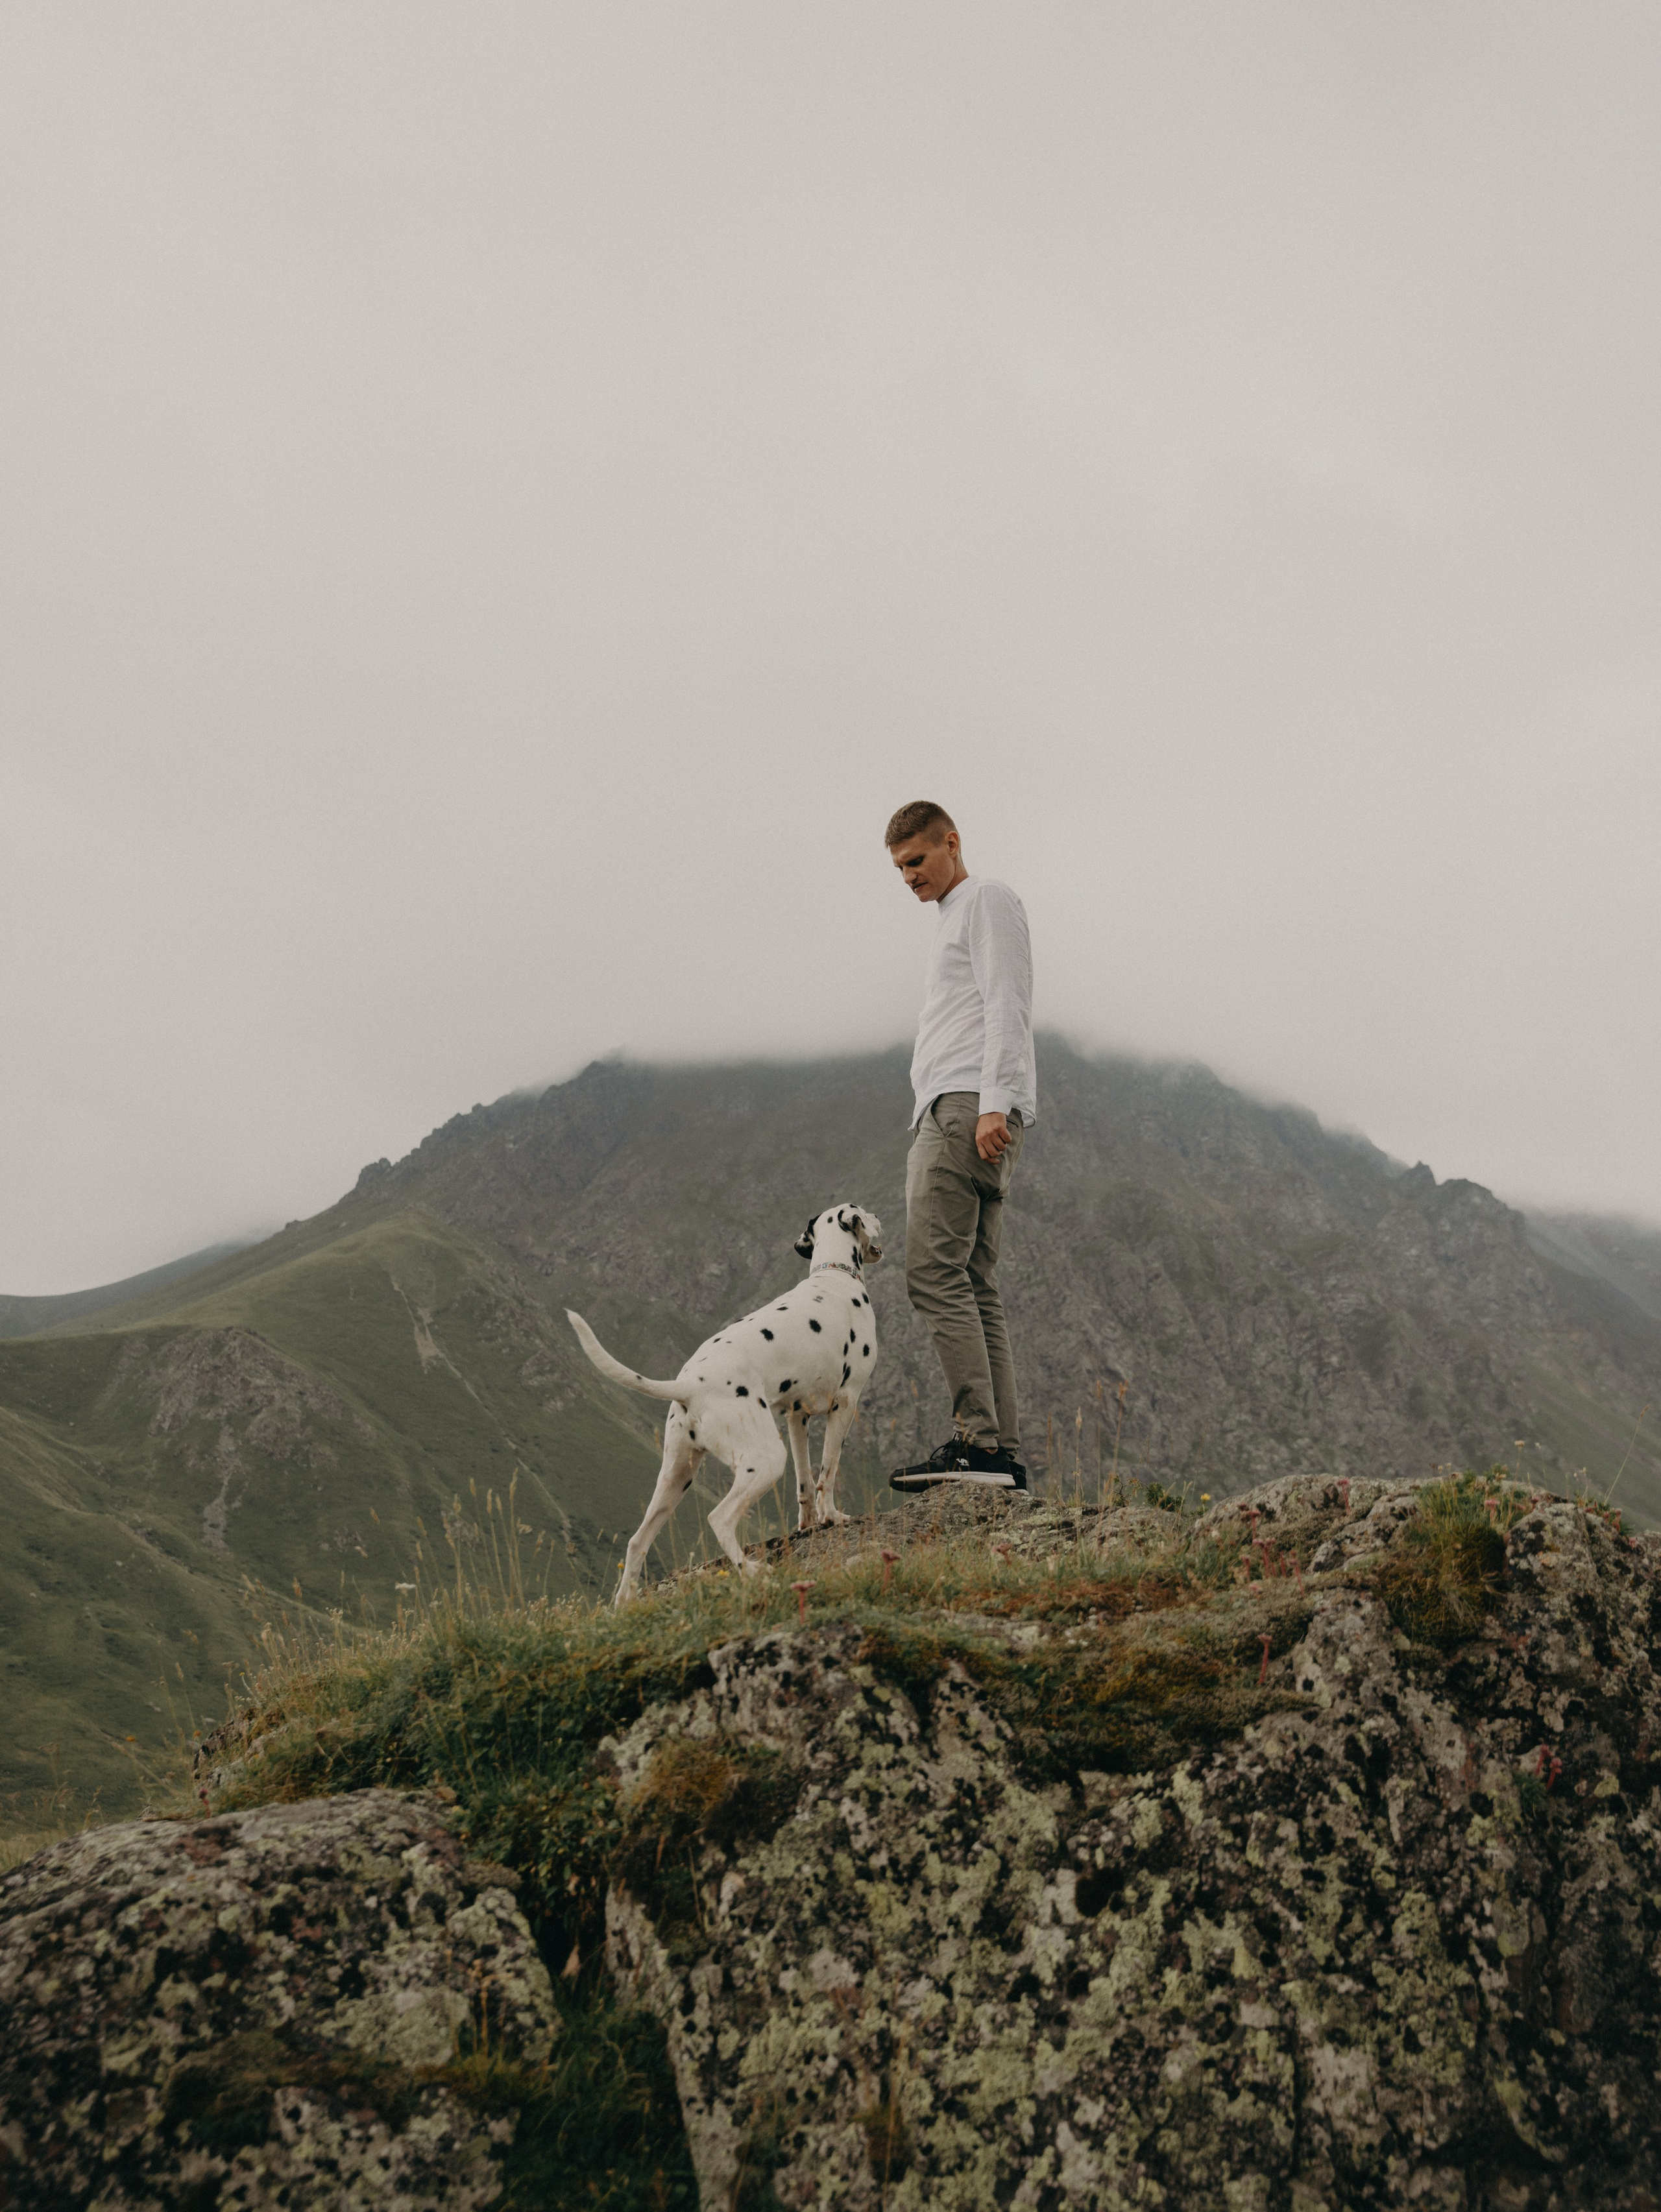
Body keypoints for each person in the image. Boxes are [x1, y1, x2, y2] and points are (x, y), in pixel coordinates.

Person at [885, 800, 1036, 1492]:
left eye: (916, 859)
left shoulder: (985, 898)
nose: (908, 875)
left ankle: (976, 1441)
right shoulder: (956, 913)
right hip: (961, 1105)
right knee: (973, 1284)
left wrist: (993, 1102)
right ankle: (999, 1453)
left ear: (951, 842)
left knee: (933, 1273)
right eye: (898, 867)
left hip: (964, 1106)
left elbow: (1007, 996)